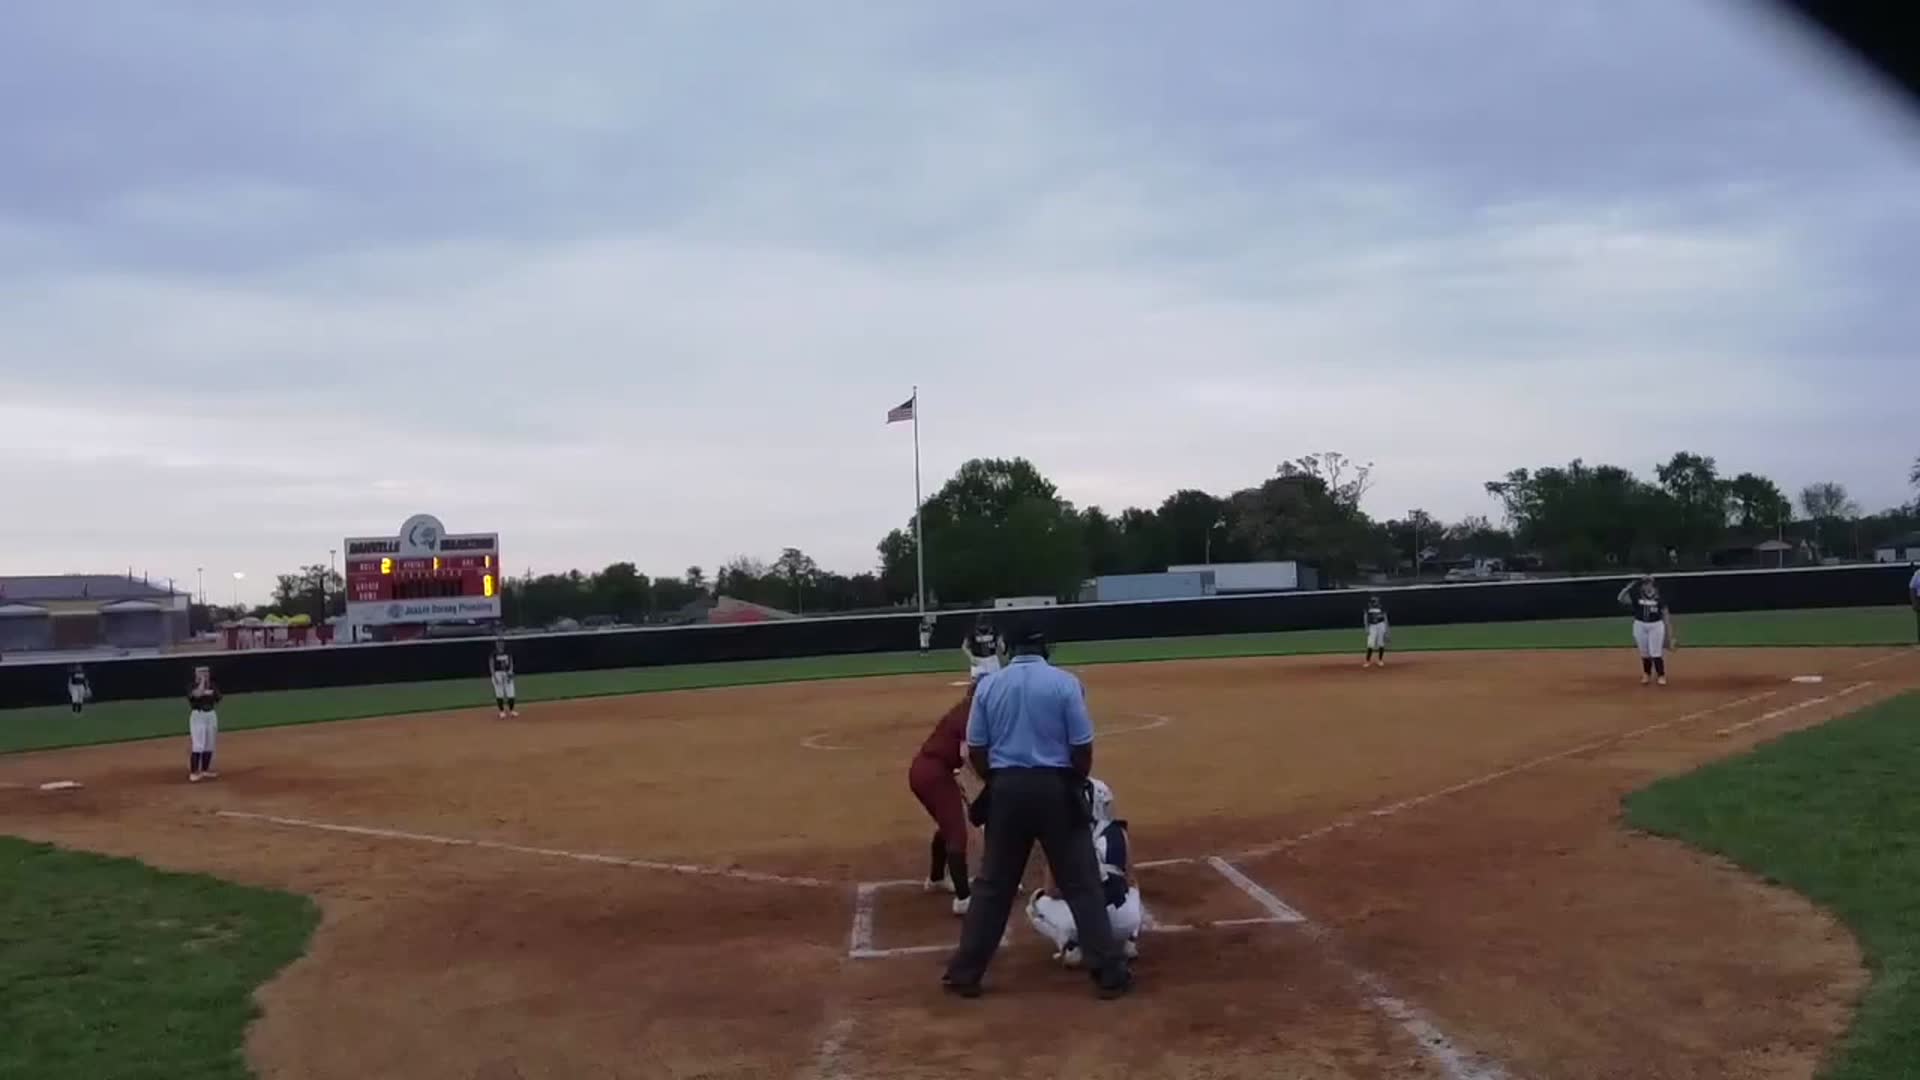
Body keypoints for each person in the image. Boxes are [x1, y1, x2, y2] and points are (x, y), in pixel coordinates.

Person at [942, 620, 1131, 1000]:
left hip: (1007, 788)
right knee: (1081, 883)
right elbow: (1082, 747)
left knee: (993, 886)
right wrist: (1072, 782)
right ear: (1044, 647)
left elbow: (977, 747)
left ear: (1007, 649)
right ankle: (1108, 973)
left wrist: (997, 781)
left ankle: (965, 973)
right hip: (1057, 787)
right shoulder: (1065, 683)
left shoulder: (989, 686)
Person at [1026, 777, 1143, 967]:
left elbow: (1052, 890)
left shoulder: (1059, 836)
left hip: (1082, 923)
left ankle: (1071, 946)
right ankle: (1129, 940)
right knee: (1132, 888)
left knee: (1036, 903)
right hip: (1122, 922)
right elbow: (1130, 879)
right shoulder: (1119, 832)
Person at [910, 684, 978, 916]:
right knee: (957, 834)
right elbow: (966, 754)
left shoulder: (965, 709)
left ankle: (937, 878)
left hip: (928, 770)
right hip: (934, 773)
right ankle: (964, 899)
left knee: (947, 826)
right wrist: (986, 779)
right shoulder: (971, 713)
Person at [1616, 576, 1676, 686]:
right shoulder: (1637, 595)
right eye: (1644, 584)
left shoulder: (1659, 597)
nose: (1646, 586)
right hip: (1640, 625)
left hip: (1656, 625)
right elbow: (1621, 599)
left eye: (1648, 583)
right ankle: (1646, 674)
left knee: (1656, 652)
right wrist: (1627, 588)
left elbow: (1665, 615)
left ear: (1652, 584)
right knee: (1644, 652)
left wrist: (1669, 635)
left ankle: (1661, 675)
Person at [187, 666, 221, 782]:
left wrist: (208, 688)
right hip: (198, 716)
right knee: (198, 744)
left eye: (206, 673)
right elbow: (196, 695)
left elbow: (218, 698)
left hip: (210, 715)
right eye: (202, 674)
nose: (205, 675)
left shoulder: (212, 685)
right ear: (196, 675)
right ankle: (194, 772)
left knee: (209, 744)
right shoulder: (192, 686)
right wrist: (202, 684)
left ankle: (205, 770)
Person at [961, 615, 1004, 681]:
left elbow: (1001, 643)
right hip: (978, 660)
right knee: (976, 683)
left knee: (995, 681)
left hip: (992, 659)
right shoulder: (972, 632)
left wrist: (1001, 646)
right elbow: (964, 646)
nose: (983, 626)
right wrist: (971, 657)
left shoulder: (994, 630)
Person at [490, 639, 519, 718]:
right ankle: (502, 711)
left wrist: (510, 671)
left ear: (503, 644)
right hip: (498, 673)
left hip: (507, 673)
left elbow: (511, 662)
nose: (499, 644)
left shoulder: (508, 652)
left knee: (511, 692)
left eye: (501, 643)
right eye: (498, 643)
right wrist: (494, 676)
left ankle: (512, 711)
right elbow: (491, 665)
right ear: (496, 644)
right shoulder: (494, 653)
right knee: (499, 693)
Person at [1362, 596, 1390, 668]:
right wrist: (1366, 628)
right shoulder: (1368, 608)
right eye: (1373, 601)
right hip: (1372, 626)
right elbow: (1365, 617)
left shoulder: (1381, 607)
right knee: (1370, 643)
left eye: (1376, 601)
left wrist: (1387, 631)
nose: (1375, 603)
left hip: (1381, 625)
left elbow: (1385, 618)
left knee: (1381, 643)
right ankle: (1367, 661)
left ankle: (1380, 660)